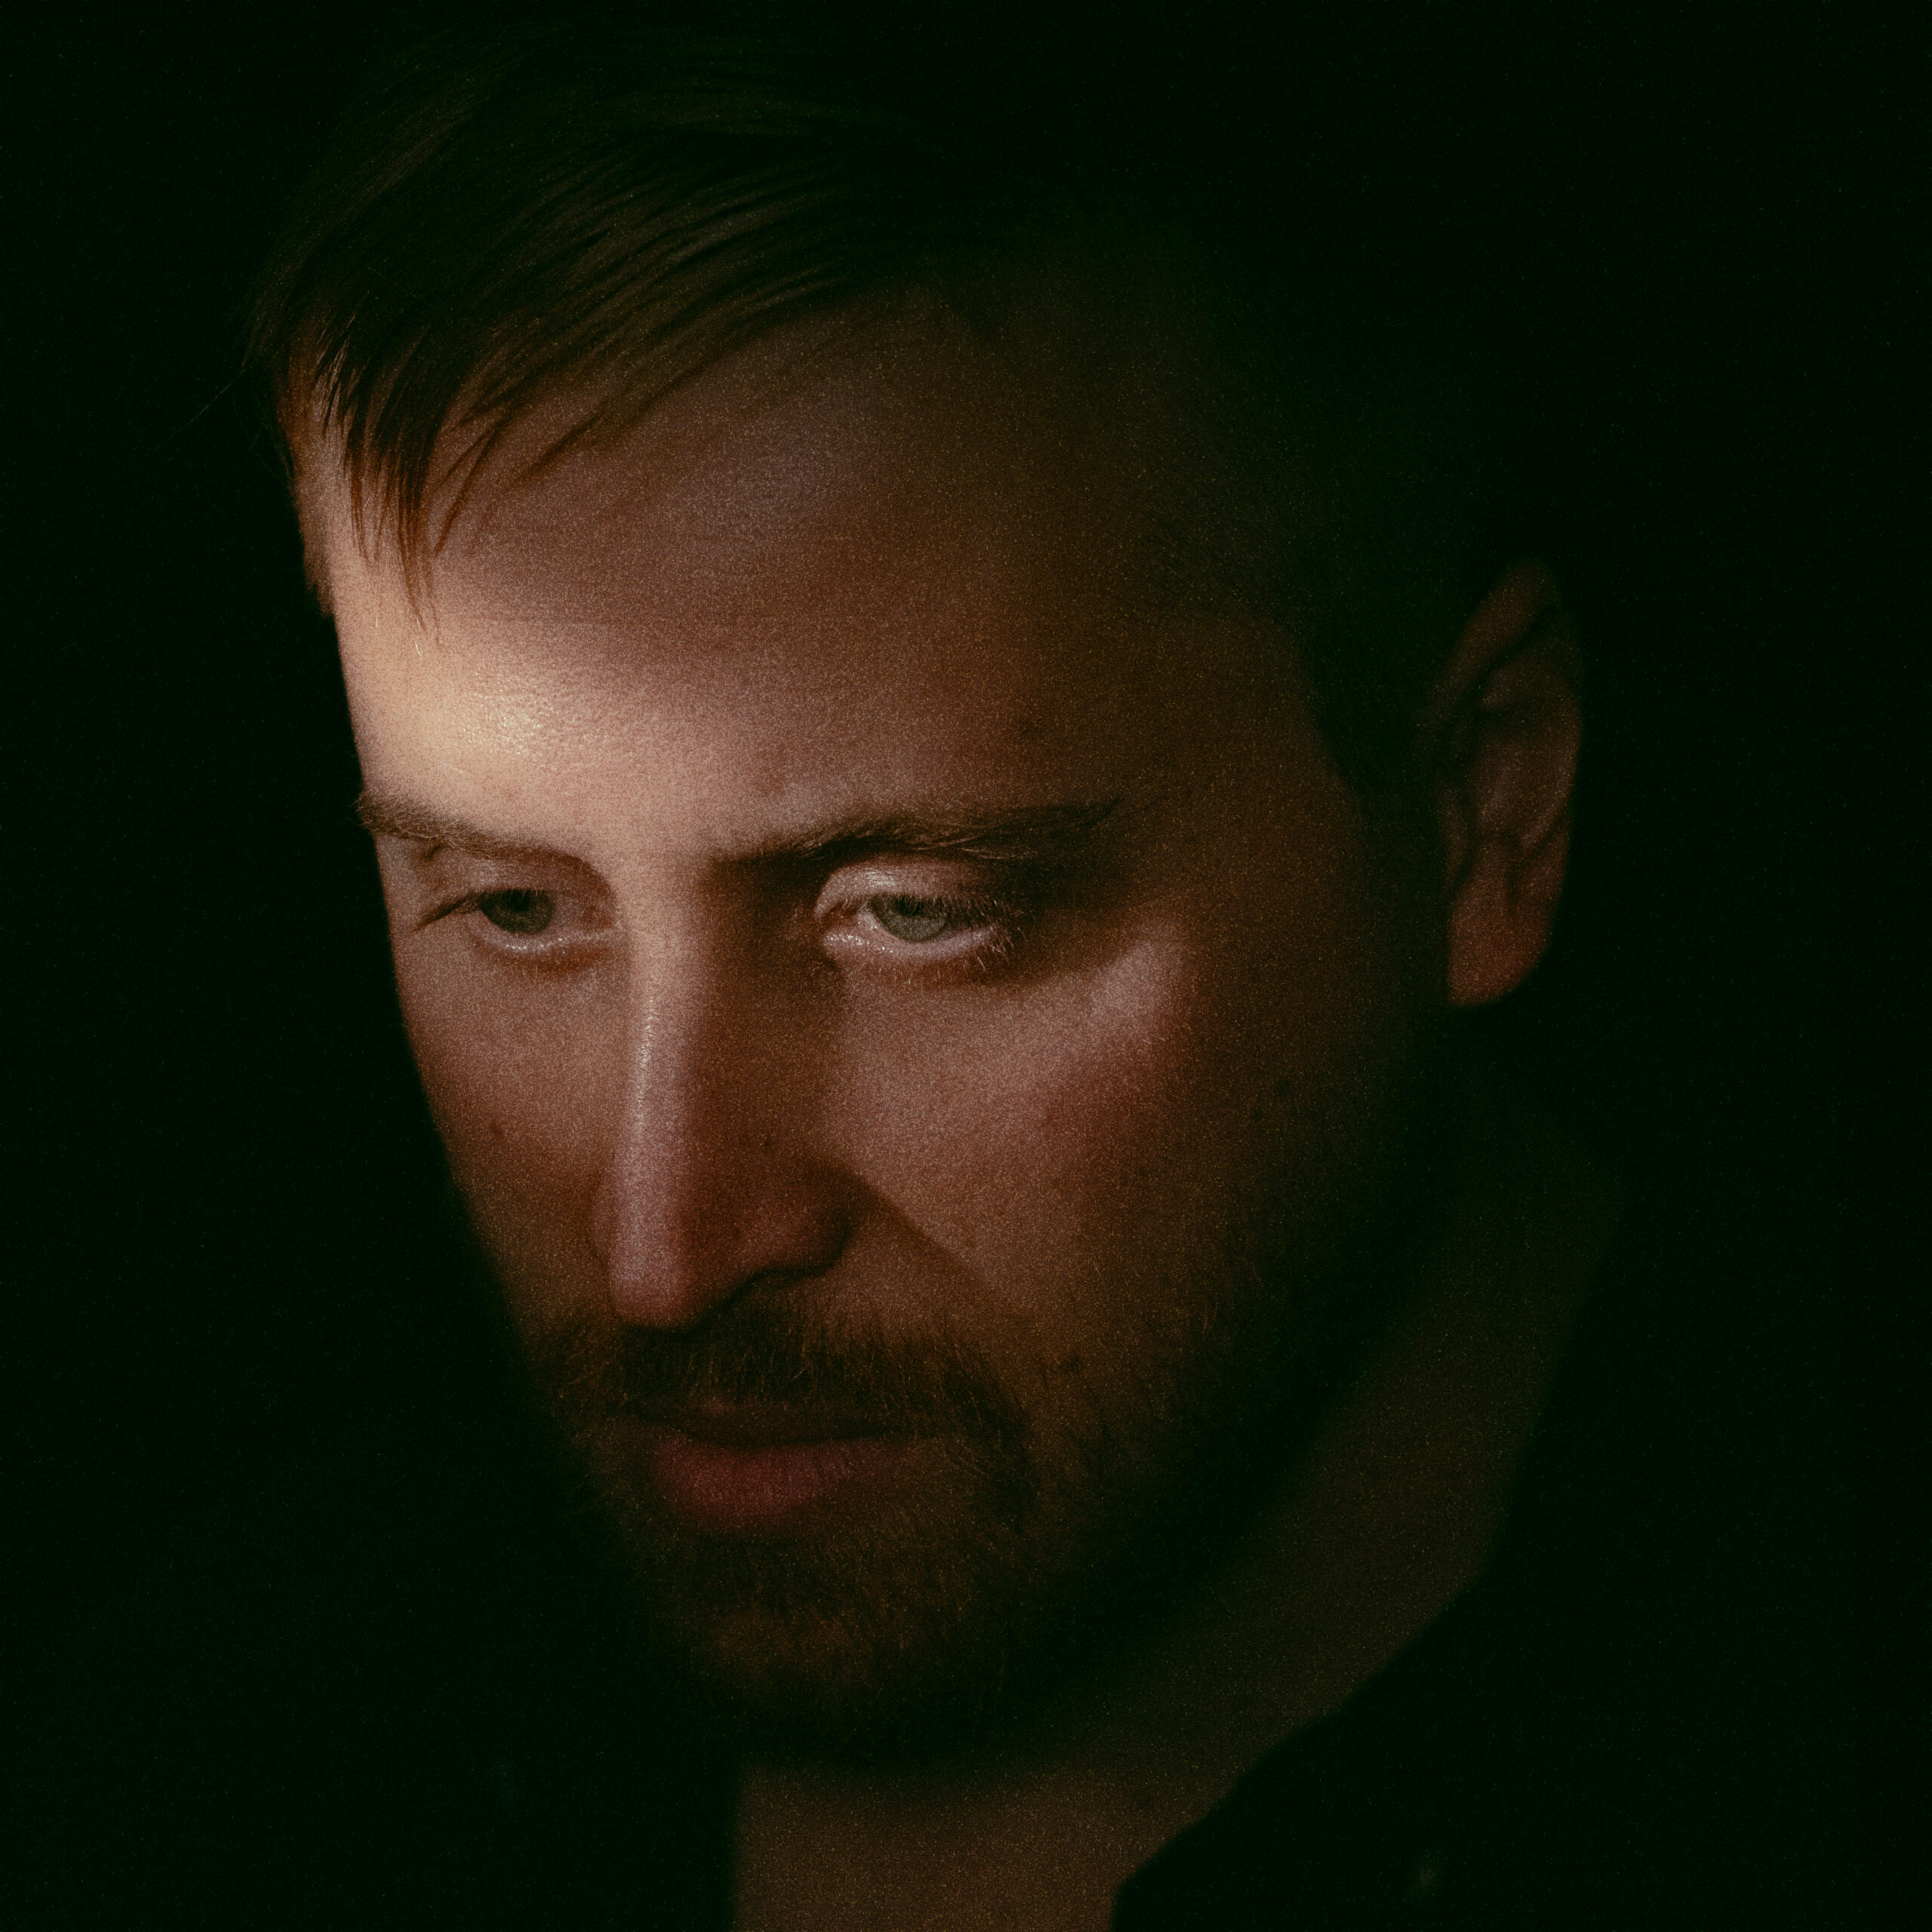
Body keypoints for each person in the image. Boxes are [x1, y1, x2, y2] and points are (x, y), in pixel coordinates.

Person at [21, 7, 1863, 1928]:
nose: (665, 1246)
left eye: (914, 913)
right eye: (512, 908)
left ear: (1480, 811)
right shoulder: (227, 1757)